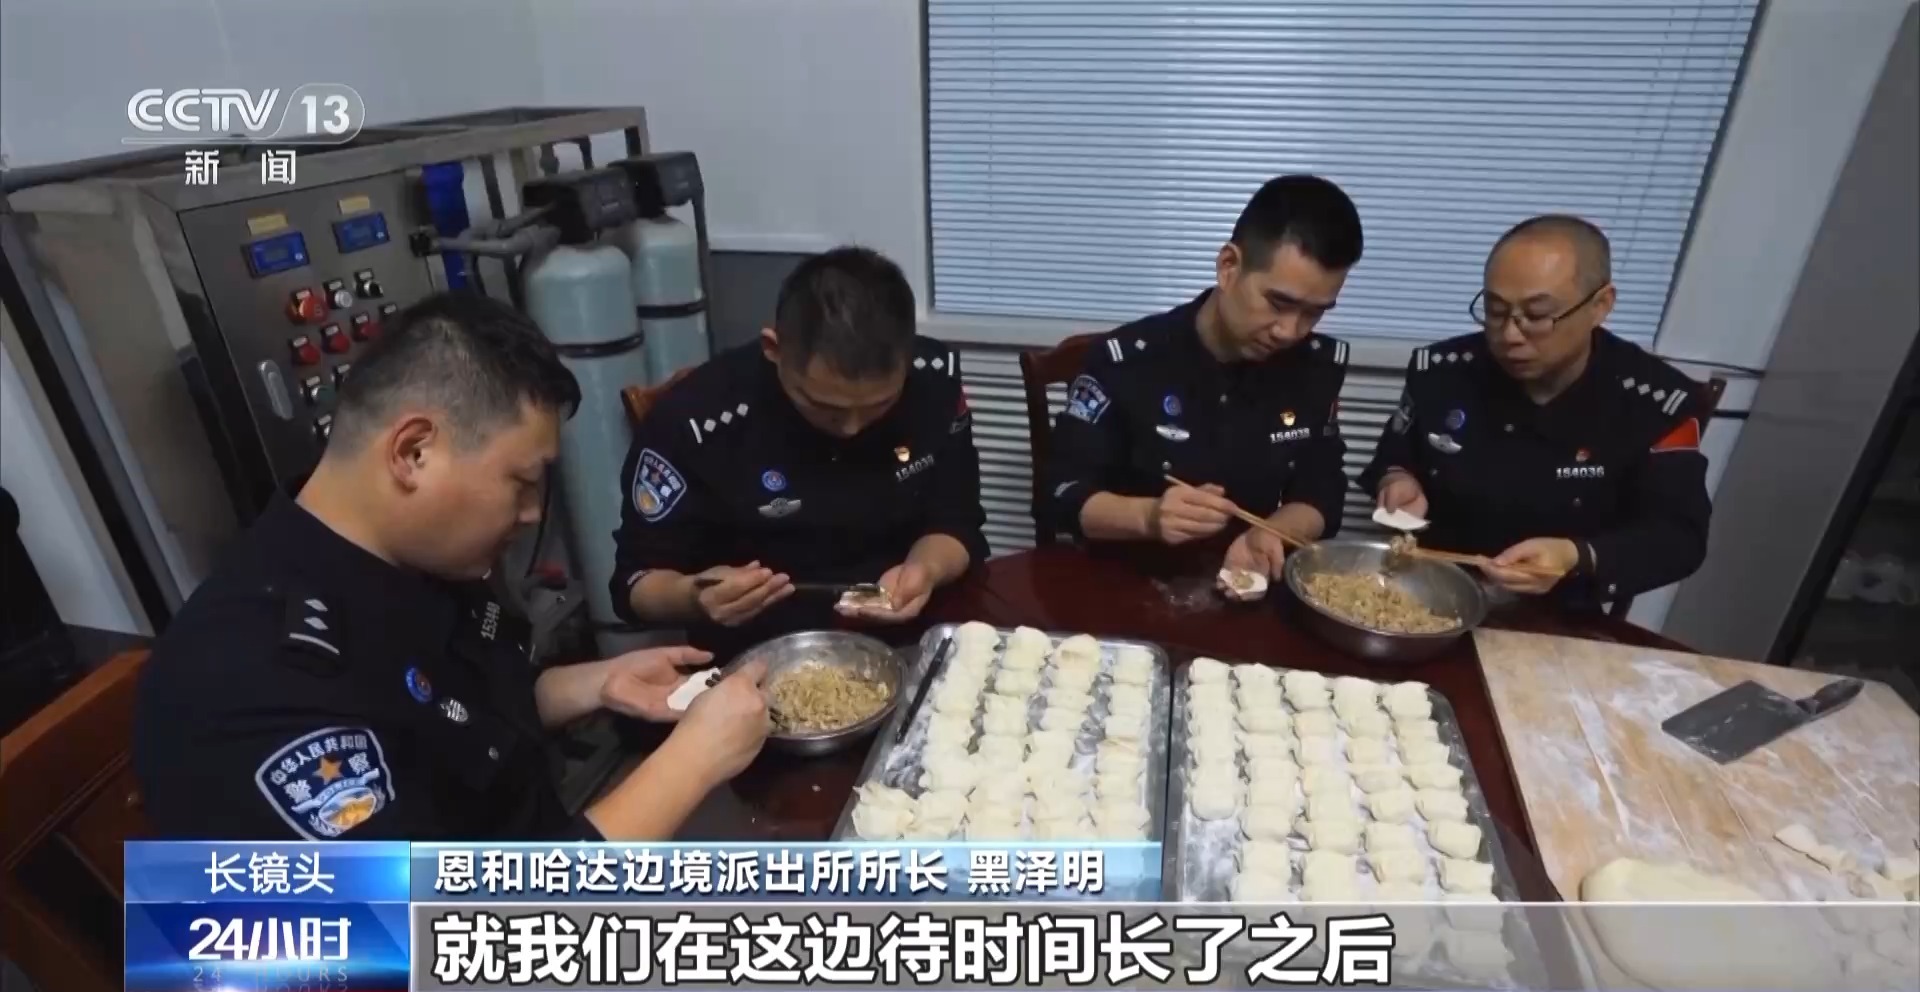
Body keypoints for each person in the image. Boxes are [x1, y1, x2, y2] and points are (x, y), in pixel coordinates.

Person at [134, 293, 771, 842]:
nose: (531, 515)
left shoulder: (416, 562)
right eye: (522, 483)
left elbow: (456, 714)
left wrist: (598, 684)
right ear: (413, 452)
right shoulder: (254, 686)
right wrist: (693, 762)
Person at [612, 246, 988, 659]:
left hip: (906, 631)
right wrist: (695, 595)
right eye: (825, 406)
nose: (851, 428)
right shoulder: (698, 420)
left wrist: (925, 570)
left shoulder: (933, 381)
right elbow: (635, 584)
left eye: (880, 405)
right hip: (760, 648)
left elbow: (957, 519)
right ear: (774, 349)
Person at [1358, 215, 1712, 605]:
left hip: (1559, 612)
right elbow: (1395, 456)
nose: (1510, 335)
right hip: (1431, 594)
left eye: (1538, 315)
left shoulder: (1655, 402)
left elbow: (1679, 536)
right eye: (1496, 311)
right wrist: (1397, 479)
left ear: (1600, 306)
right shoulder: (1442, 371)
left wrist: (1577, 556)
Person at [1038, 174, 1363, 582]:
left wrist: (1274, 532)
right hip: (1130, 584)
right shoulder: (1128, 360)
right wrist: (1147, 517)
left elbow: (1322, 489)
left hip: (1249, 587)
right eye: (1278, 303)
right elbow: (1059, 493)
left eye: (1314, 312)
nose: (1290, 331)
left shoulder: (1313, 367)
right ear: (1229, 267)